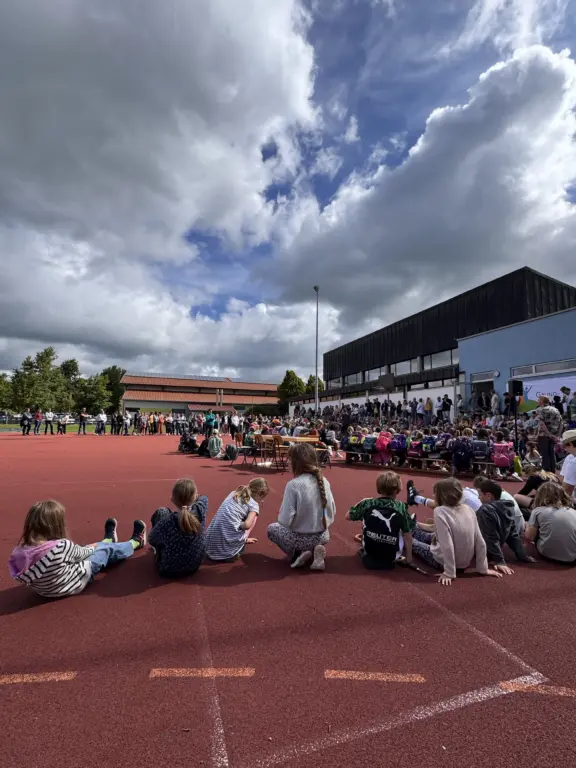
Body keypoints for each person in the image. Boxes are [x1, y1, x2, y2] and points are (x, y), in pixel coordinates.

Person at [8, 500, 146, 598]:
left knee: (94, 548)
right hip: (74, 582)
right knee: (104, 551)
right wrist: (95, 546)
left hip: (46, 591)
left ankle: (108, 540)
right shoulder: (61, 546)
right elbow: (84, 552)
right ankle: (134, 543)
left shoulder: (21, 552)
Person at [410, 478, 502, 585]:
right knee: (427, 535)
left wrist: (449, 572)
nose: (433, 496)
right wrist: (483, 568)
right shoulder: (469, 509)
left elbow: (447, 545)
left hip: (443, 562)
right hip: (465, 562)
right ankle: (413, 526)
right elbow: (480, 541)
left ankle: (406, 529)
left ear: (442, 495)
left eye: (435, 493)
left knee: (412, 542)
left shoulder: (440, 511)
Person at [267, 443, 335, 571]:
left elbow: (284, 520)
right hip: (322, 535)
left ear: (296, 462)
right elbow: (332, 510)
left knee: (271, 529)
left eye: (290, 459)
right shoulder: (324, 481)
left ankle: (297, 554)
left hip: (300, 538)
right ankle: (315, 551)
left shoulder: (293, 485)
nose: (288, 463)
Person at [346, 471, 414, 570]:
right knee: (405, 528)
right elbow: (407, 535)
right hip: (391, 558)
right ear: (398, 490)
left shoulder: (368, 503)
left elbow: (347, 516)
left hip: (369, 555)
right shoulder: (401, 507)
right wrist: (408, 559)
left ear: (379, 488)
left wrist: (362, 501)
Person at [149, 478, 208, 578]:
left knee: (162, 512)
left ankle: (159, 553)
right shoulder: (200, 510)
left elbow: (151, 539)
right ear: (195, 497)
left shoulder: (167, 522)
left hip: (169, 569)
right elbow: (204, 498)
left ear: (172, 499)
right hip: (193, 566)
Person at [475, 479, 535, 572]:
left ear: (488, 496)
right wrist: (522, 555)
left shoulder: (485, 510)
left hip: (484, 551)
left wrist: (499, 560)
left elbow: (490, 537)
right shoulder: (507, 507)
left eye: (480, 495)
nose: (479, 498)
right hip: (495, 548)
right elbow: (513, 535)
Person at [205, 478, 269, 561]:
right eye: (262, 498)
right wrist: (239, 524)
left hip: (209, 547)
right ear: (260, 493)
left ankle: (234, 538)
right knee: (254, 517)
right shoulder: (254, 505)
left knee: (229, 518)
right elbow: (247, 525)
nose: (262, 501)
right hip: (227, 554)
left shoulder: (234, 493)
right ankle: (241, 541)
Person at [525, 482, 576, 564]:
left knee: (532, 528)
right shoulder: (573, 512)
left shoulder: (538, 511)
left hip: (547, 555)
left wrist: (527, 525)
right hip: (573, 559)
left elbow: (529, 537)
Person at [533, 395, 563, 472]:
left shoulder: (540, 410)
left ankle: (546, 472)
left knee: (544, 454)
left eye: (538, 399)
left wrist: (549, 434)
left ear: (542, 401)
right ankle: (553, 471)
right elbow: (561, 423)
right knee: (551, 453)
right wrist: (557, 435)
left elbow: (541, 423)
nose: (537, 401)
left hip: (544, 435)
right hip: (554, 434)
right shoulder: (555, 410)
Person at [560, 429, 576, 503]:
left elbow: (566, 492)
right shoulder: (570, 458)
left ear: (571, 444)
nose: (564, 449)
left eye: (565, 445)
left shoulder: (573, 462)